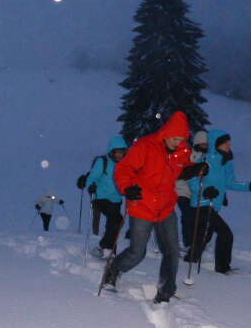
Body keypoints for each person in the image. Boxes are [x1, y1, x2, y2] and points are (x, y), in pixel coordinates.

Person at [103, 111, 208, 303]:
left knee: (172, 250)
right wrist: (128, 188)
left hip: (166, 207)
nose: (178, 142)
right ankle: (113, 271)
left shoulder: (182, 150)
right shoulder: (145, 146)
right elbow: (124, 169)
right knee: (137, 252)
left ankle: (166, 291)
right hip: (142, 205)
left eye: (182, 139)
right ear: (167, 133)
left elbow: (182, 169)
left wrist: (195, 169)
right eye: (175, 138)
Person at [184, 130, 251, 274]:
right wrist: (204, 190)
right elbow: (192, 178)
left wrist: (250, 186)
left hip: (214, 204)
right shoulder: (204, 159)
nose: (229, 144)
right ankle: (222, 268)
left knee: (203, 236)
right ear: (216, 143)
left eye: (229, 141)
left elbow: (230, 183)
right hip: (201, 204)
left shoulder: (226, 161)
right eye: (225, 142)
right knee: (226, 234)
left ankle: (190, 260)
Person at [85, 135, 128, 258]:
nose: (119, 155)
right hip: (101, 198)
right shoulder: (102, 161)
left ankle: (106, 249)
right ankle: (105, 247)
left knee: (114, 224)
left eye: (122, 152)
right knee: (117, 220)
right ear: (112, 151)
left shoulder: (124, 164)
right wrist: (91, 185)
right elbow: (92, 177)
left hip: (116, 199)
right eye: (117, 152)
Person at [175, 131, 208, 250]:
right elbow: (181, 171)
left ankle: (196, 242)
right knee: (187, 214)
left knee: (197, 217)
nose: (204, 147)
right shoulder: (189, 154)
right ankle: (188, 241)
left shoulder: (206, 157)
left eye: (206, 145)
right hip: (182, 190)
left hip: (196, 193)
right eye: (202, 144)